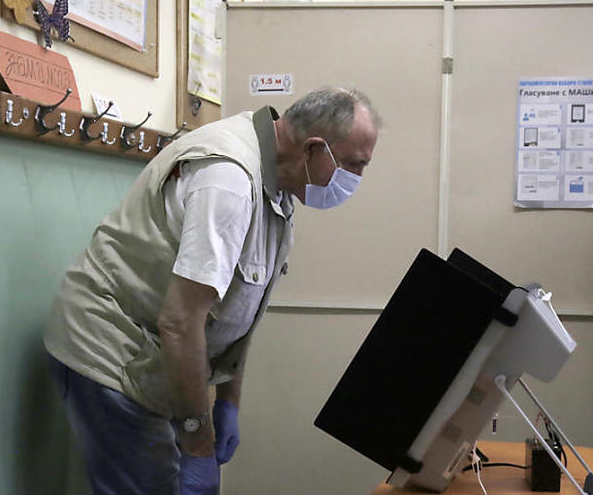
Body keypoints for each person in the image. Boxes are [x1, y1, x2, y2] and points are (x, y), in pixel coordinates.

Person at [44, 87, 380, 494]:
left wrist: (227, 401)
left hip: (160, 358)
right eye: (354, 165)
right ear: (313, 149)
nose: (356, 180)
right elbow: (181, 322)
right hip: (112, 350)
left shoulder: (279, 181)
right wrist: (198, 444)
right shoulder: (229, 181)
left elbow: (238, 308)